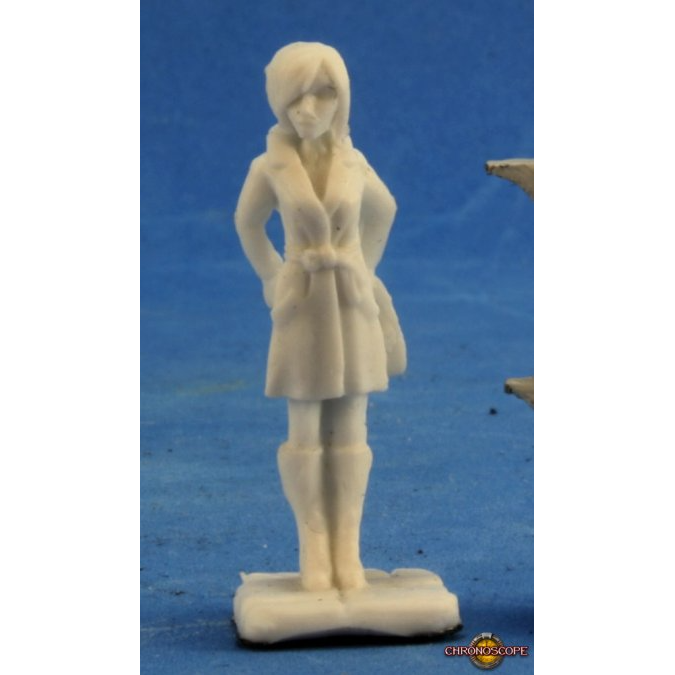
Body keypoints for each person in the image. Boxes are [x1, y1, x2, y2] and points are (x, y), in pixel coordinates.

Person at [234, 42, 406, 591]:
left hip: (350, 305)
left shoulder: (354, 164)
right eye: (296, 97)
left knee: (351, 428)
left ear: (343, 99)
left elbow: (385, 211)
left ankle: (346, 550)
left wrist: (362, 268)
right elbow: (248, 224)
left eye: (324, 94)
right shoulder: (269, 166)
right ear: (278, 101)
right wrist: (274, 278)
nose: (309, 109)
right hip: (303, 307)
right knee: (305, 429)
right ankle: (313, 546)